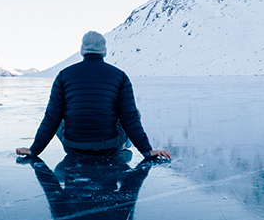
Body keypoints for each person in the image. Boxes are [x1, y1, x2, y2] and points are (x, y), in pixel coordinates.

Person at [16, 31, 171, 160]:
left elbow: (51, 117)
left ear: (82, 49)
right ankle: (124, 145)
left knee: (58, 113)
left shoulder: (63, 75)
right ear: (104, 50)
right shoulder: (120, 76)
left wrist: (34, 150)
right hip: (109, 146)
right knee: (134, 113)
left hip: (73, 146)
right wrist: (147, 151)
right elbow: (129, 117)